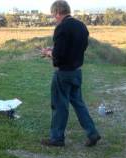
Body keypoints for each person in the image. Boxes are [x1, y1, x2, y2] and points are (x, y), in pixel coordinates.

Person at [41, 0, 101, 147]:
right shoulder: (81, 26)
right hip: (76, 72)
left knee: (59, 105)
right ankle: (92, 133)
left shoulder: (61, 28)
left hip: (63, 74)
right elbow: (81, 48)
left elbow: (59, 55)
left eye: (53, 15)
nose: (54, 18)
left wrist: (49, 53)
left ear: (57, 12)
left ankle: (56, 138)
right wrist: (55, 51)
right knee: (79, 104)